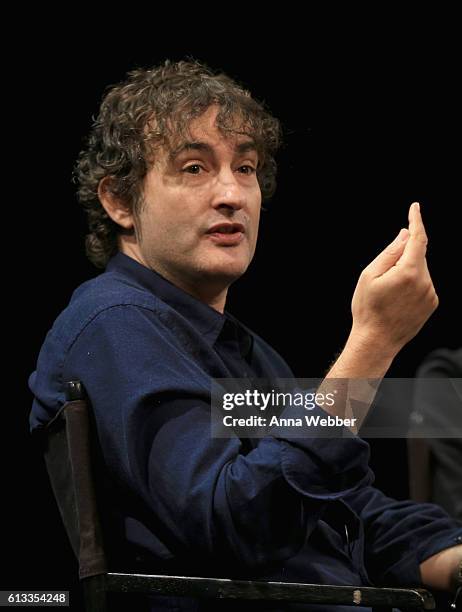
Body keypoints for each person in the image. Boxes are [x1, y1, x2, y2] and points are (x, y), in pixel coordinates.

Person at [29, 59, 461, 611]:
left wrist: (454, 558)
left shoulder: (241, 348)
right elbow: (240, 522)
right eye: (193, 168)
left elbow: (347, 511)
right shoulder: (116, 324)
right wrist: (373, 343)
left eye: (247, 168)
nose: (232, 194)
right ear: (118, 202)